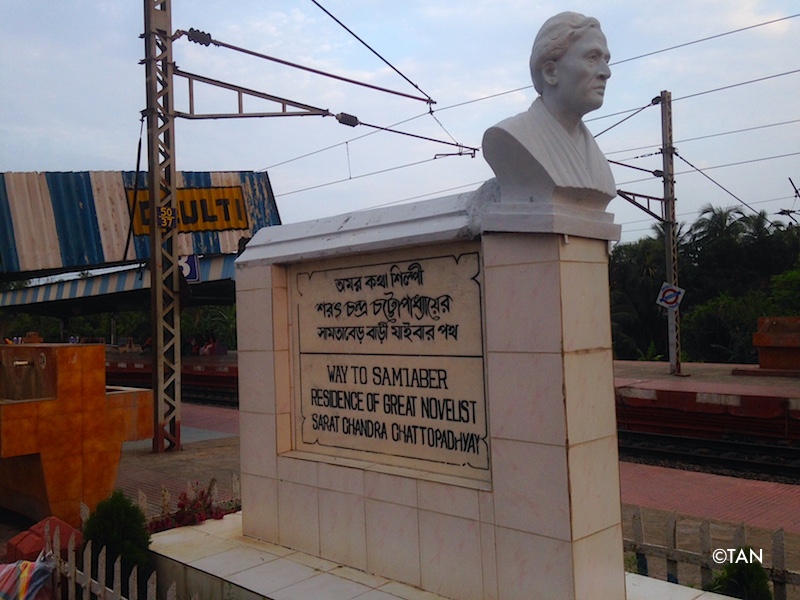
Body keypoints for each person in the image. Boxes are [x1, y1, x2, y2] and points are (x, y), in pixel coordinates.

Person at [483, 12, 616, 201]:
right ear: (550, 72)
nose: (606, 72)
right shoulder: (509, 136)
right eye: (592, 57)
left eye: (606, 60)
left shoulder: (597, 162)